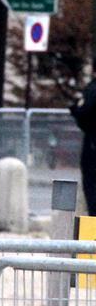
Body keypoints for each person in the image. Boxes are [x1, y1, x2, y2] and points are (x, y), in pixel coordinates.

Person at [70, 58, 96, 215]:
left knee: (92, 189)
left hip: (93, 144)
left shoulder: (93, 89)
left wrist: (75, 110)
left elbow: (84, 112)